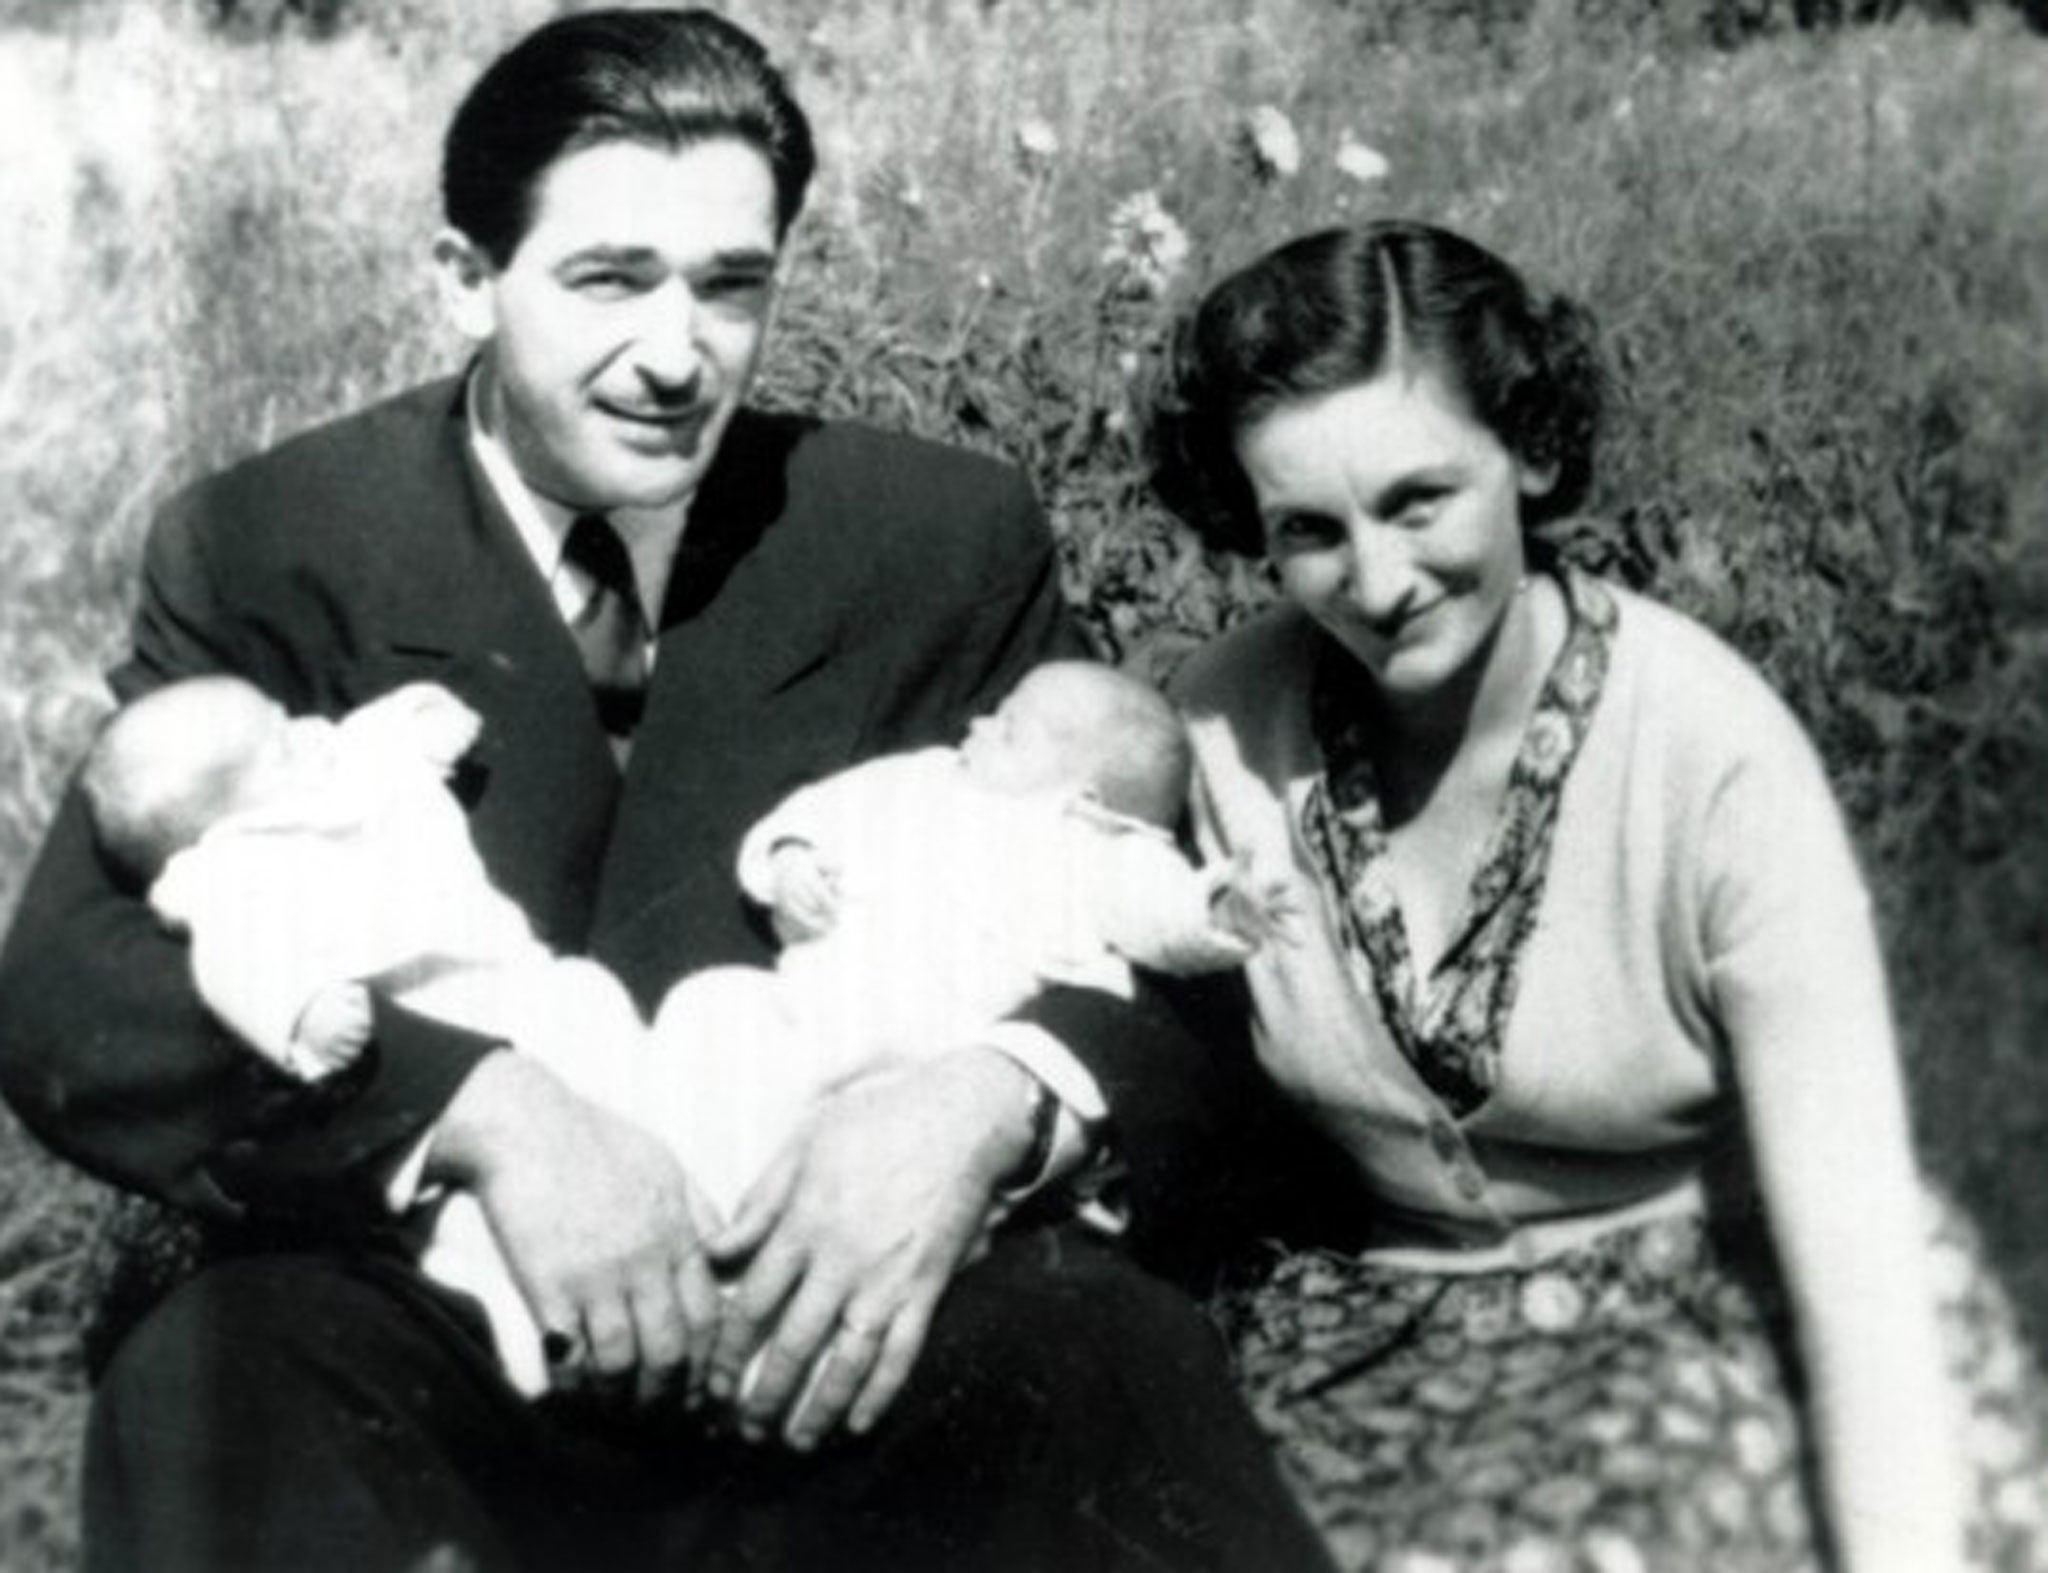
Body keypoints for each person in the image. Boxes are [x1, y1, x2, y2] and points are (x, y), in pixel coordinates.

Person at [0, 11, 1334, 1571]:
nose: (675, 351)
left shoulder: (929, 536)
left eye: (730, 284)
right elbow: (74, 994)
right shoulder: (280, 541)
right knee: (216, 1390)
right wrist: (475, 1107)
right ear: (461, 278)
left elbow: (1181, 957)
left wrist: (995, 1100)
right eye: (609, 278)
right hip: (440, 1312)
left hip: (851, 1314)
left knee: (1105, 1357)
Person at [1146, 219, 2047, 1572]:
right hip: (1381, 1327)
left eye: (1419, 500)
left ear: (1533, 453)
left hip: (1727, 1307)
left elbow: (1854, 1239)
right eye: (1310, 534)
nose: (1378, 583)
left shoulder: (1709, 754)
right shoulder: (1223, 724)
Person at [78, 665, 1287, 1398]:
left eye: (1010, 727)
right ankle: (600, 1302)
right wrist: (791, 860)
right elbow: (87, 978)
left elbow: (1160, 922)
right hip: (619, 1053)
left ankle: (731, 1264)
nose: (978, 725)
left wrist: (1200, 921)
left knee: (1102, 1364)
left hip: (919, 1064)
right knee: (718, 1017)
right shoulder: (926, 787)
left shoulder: (1085, 835)